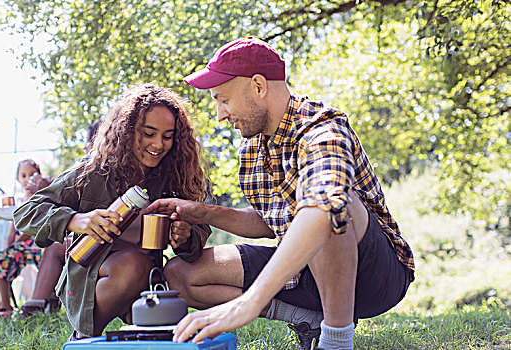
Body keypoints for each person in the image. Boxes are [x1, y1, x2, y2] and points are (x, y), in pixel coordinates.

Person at [146, 37, 415, 350]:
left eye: (224, 100)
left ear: (259, 87)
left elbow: (324, 206)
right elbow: (268, 222)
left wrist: (247, 303)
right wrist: (203, 213)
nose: (221, 113)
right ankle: (308, 319)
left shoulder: (321, 128)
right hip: (307, 269)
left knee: (324, 202)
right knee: (181, 274)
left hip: (374, 277)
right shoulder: (252, 147)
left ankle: (337, 340)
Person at [13, 83, 212, 339]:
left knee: (152, 276)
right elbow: (26, 213)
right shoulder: (94, 174)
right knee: (132, 263)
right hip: (92, 280)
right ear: (128, 131)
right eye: (148, 133)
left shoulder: (174, 178)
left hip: (151, 282)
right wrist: (76, 220)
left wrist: (185, 238)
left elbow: (200, 232)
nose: (158, 144)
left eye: (167, 135)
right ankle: (85, 338)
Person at [20, 120, 101, 317]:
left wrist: (48, 187)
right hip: (98, 236)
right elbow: (24, 216)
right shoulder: (92, 168)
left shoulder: (96, 169)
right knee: (54, 245)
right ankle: (44, 301)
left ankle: (39, 303)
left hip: (104, 240)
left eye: (89, 141)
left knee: (55, 247)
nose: (84, 147)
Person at [0, 159, 52, 319]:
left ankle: (7, 306)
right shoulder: (17, 201)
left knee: (3, 261)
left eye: (32, 175)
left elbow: (33, 229)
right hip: (20, 247)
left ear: (39, 176)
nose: (27, 179)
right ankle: (0, 309)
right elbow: (12, 229)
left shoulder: (41, 195)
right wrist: (9, 246)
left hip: (37, 244)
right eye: (23, 175)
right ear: (18, 179)